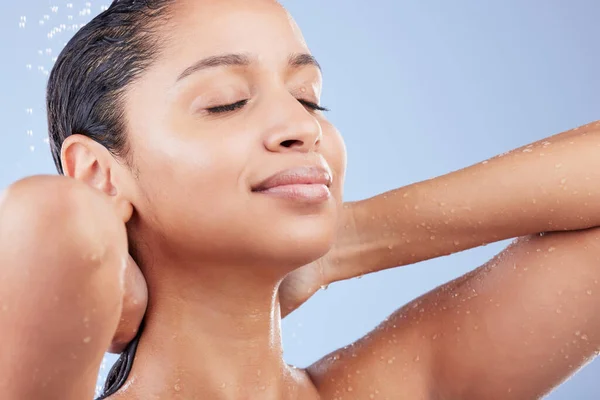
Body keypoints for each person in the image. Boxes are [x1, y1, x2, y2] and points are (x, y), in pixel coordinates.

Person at [1, 0, 600, 399]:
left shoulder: (403, 384)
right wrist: (103, 284)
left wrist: (349, 239)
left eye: (309, 99)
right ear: (99, 175)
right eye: (226, 102)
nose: (301, 126)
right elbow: (52, 219)